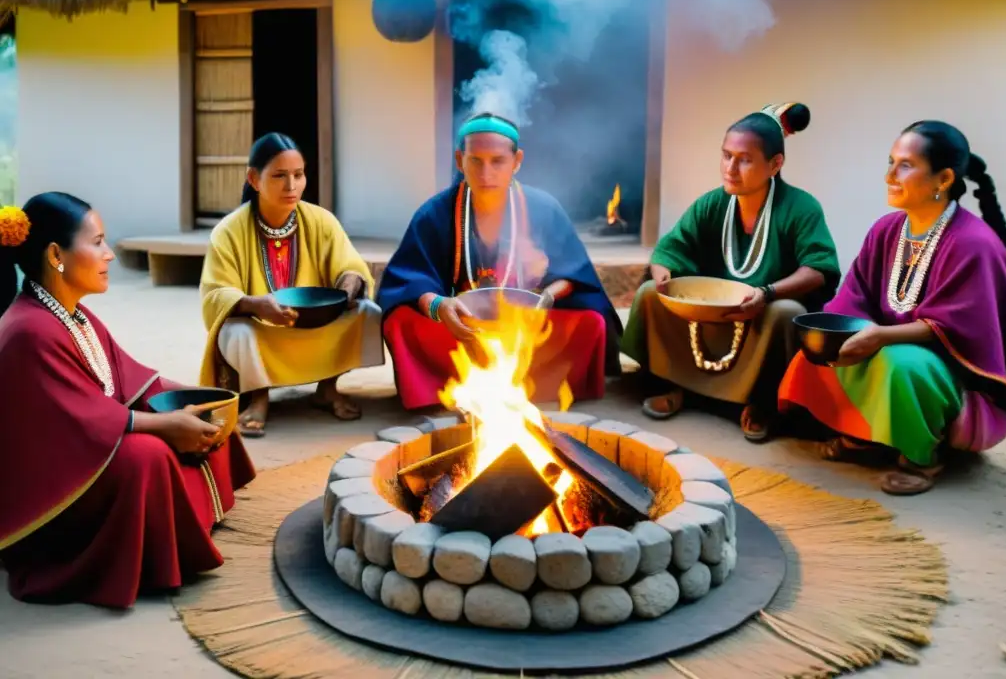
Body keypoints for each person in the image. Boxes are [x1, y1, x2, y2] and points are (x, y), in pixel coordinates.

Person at [0, 193, 256, 608]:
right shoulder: (29, 330)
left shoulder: (71, 313)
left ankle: (187, 523)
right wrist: (168, 425)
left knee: (206, 408)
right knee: (147, 457)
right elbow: (76, 421)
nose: (109, 255)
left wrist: (196, 402)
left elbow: (123, 379)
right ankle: (155, 556)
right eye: (97, 242)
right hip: (56, 478)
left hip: (89, 437)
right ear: (55, 254)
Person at [779, 121, 1006, 495]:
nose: (890, 175)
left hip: (960, 382)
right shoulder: (887, 229)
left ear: (942, 179)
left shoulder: (973, 242)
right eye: (890, 162)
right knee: (823, 350)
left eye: (905, 165)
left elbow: (960, 327)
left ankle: (923, 457)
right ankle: (862, 437)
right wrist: (837, 333)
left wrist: (879, 337)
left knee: (899, 364)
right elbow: (856, 293)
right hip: (890, 347)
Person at [621, 102, 840, 441]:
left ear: (775, 164)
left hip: (762, 313)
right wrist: (662, 272)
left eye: (745, 159)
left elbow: (818, 269)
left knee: (787, 313)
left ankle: (761, 403)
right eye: (726, 156)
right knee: (651, 294)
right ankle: (677, 387)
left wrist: (768, 293)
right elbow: (671, 249)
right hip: (710, 311)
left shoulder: (800, 207)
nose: (730, 168)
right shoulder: (712, 203)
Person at [377, 112, 622, 410]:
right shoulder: (435, 213)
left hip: (527, 325)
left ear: (517, 160)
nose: (486, 173)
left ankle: (539, 386)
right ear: (459, 160)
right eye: (475, 161)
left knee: (591, 322)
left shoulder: (543, 208)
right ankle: (445, 390)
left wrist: (545, 297)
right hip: (461, 329)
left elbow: (573, 271)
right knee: (400, 322)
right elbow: (409, 277)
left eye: (498, 161)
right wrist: (439, 306)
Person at [199, 133, 384, 437]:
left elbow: (350, 267)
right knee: (235, 330)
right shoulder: (228, 231)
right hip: (262, 328)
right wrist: (254, 304)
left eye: (298, 175)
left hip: (317, 322)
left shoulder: (321, 220)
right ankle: (258, 396)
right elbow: (216, 294)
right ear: (254, 179)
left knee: (368, 310)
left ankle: (328, 388)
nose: (292, 186)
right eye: (280, 176)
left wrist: (348, 288)